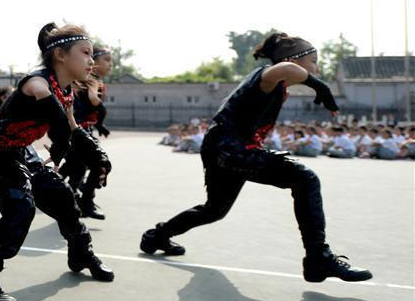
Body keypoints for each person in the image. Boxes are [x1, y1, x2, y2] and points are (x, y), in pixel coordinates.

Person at [139, 32, 372, 283]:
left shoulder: (275, 85)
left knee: (214, 210)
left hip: (223, 148)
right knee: (305, 179)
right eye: (313, 61)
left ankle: (156, 236)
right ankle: (318, 259)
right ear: (294, 60)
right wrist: (320, 86)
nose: (317, 68)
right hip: (231, 149)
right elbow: (285, 68)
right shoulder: (267, 76)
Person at [0, 23, 114, 301]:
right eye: (85, 53)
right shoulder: (37, 82)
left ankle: (81, 254)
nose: (91, 61)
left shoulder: (66, 91)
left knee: (64, 198)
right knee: (20, 210)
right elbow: (53, 113)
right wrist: (63, 140)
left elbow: (72, 127)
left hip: (22, 151)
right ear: (60, 55)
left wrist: (98, 156)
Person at [61, 46, 113, 219]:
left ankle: (74, 203)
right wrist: (101, 110)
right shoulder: (92, 80)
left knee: (77, 169)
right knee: (100, 164)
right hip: (79, 131)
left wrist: (99, 125)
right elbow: (93, 100)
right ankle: (86, 201)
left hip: (79, 130)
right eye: (107, 60)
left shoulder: (85, 79)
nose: (110, 64)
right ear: (94, 61)